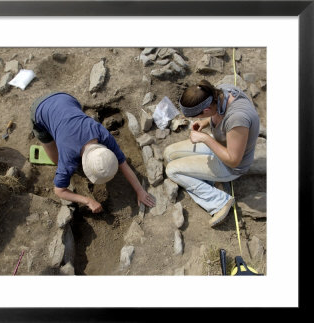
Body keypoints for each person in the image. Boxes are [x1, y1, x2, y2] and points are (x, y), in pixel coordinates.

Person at [30, 92, 156, 213]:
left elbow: (123, 163)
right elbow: (59, 190)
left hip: (67, 99)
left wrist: (140, 191)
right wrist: (88, 201)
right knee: (55, 159)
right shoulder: (67, 157)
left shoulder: (103, 134)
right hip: (40, 109)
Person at [163, 80, 260, 227]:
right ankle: (207, 179)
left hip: (231, 166)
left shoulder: (237, 119)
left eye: (198, 117)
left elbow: (233, 160)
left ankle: (219, 202)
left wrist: (205, 138)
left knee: (172, 170)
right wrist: (206, 122)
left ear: (206, 109)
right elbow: (216, 112)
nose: (197, 119)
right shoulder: (218, 92)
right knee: (169, 154)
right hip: (221, 144)